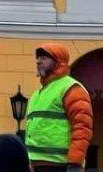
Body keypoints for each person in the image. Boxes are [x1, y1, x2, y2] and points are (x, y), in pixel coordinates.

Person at [25, 43, 93, 172]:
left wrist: (75, 163)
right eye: (38, 58)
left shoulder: (71, 88)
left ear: (58, 62)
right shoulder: (38, 94)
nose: (38, 61)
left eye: (44, 58)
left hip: (59, 165)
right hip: (37, 164)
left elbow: (82, 127)